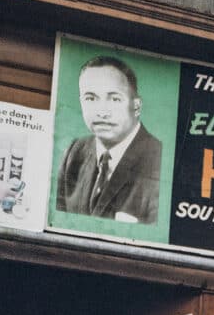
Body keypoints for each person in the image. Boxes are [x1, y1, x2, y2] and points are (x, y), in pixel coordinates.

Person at [56, 55, 162, 223]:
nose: (102, 111)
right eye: (90, 98)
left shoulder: (160, 160)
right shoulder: (74, 152)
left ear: (136, 106)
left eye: (114, 99)